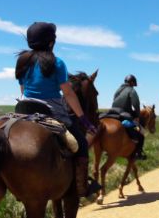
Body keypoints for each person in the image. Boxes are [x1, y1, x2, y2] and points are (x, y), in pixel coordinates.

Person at [15, 21, 100, 199]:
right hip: (51, 109)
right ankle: (82, 187)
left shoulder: (22, 60)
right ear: (51, 42)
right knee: (81, 143)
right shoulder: (57, 62)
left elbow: (22, 89)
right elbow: (68, 93)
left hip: (24, 108)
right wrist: (83, 119)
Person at [111, 74, 146, 160]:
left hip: (113, 112)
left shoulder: (118, 89)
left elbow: (114, 99)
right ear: (132, 83)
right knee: (141, 132)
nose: (133, 86)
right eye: (133, 84)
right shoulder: (131, 90)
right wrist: (137, 115)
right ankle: (138, 152)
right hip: (124, 112)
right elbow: (136, 104)